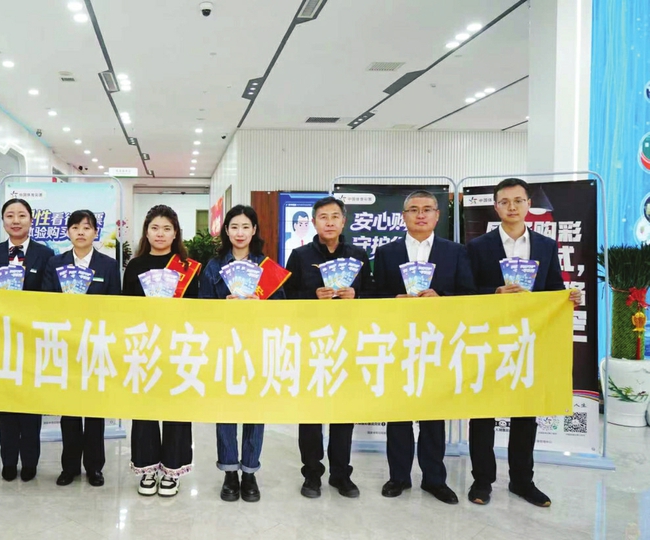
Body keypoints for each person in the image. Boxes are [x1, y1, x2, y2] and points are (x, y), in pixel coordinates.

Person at [465, 178, 582, 507]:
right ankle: (482, 481)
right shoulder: (478, 246)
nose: (512, 207)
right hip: (489, 340)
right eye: (505, 202)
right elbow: (465, 292)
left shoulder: (545, 246)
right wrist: (494, 292)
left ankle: (522, 481)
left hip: (530, 340)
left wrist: (567, 297)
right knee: (483, 413)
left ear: (529, 204)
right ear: (496, 207)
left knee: (526, 413)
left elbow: (553, 288)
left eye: (518, 200)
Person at [372, 190, 476, 505]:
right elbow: (373, 297)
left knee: (433, 413)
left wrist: (441, 298)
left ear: (437, 215)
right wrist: (394, 299)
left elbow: (469, 295)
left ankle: (434, 479)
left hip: (438, 342)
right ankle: (398, 477)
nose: (420, 215)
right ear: (403, 216)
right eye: (413, 209)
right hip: (398, 342)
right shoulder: (386, 252)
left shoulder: (455, 252)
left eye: (427, 209)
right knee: (398, 413)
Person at [285, 196, 372, 499]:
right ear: (314, 222)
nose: (330, 222)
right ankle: (312, 474)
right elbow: (285, 298)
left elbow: (375, 295)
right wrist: (312, 295)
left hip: (348, 342)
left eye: (335, 216)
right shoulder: (299, 256)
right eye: (323, 217)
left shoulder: (358, 255)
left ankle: (341, 474)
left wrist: (356, 295)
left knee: (343, 412)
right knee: (310, 413)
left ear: (344, 221)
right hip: (311, 344)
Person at [199, 204, 286, 503]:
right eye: (234, 226)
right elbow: (201, 309)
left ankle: (249, 472)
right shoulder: (213, 266)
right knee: (225, 410)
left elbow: (282, 308)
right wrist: (222, 306)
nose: (240, 232)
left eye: (245, 227)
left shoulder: (267, 267)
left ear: (254, 230)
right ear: (226, 231)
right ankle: (229, 473)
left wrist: (261, 306)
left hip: (257, 347)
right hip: (224, 347)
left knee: (254, 410)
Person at [123, 205, 202, 497]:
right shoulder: (135, 266)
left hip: (178, 345)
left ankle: (172, 468)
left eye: (167, 228)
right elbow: (125, 308)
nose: (160, 234)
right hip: (144, 345)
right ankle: (147, 467)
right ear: (146, 232)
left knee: (175, 406)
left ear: (176, 233)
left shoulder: (188, 267)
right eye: (155, 228)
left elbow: (197, 310)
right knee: (144, 407)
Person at [43, 209, 121, 487]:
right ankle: (69, 467)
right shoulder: (55, 263)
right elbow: (45, 300)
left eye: (86, 228)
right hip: (65, 344)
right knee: (69, 409)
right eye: (75, 227)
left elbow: (115, 305)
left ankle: (95, 467)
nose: (80, 232)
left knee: (94, 409)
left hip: (96, 345)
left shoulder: (108, 265)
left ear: (95, 233)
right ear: (68, 232)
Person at [0, 198, 54, 483]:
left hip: (33, 341)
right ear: (3, 221)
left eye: (22, 215)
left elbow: (49, 296)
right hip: (2, 340)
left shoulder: (45, 254)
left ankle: (30, 461)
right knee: (6, 403)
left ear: (31, 220)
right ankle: (8, 460)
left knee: (31, 404)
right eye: (10, 215)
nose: (16, 220)